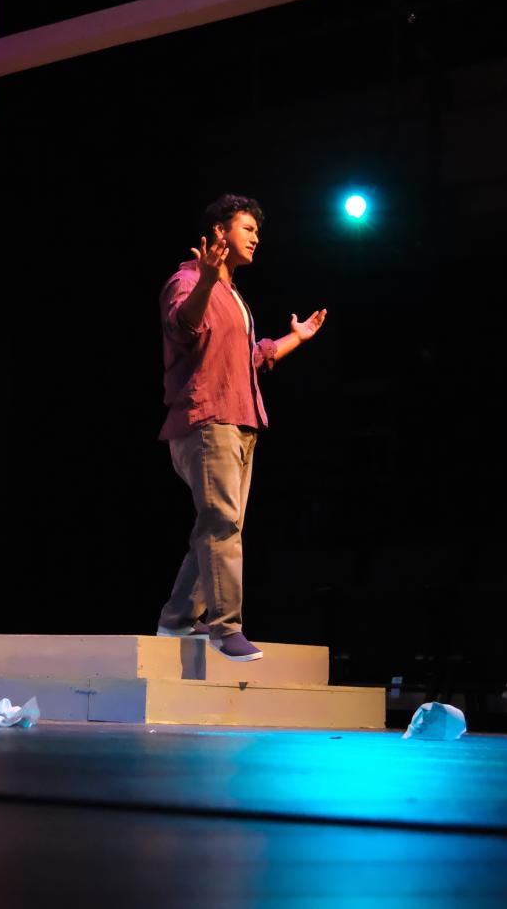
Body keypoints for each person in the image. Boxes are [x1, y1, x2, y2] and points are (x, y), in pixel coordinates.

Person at [155, 194, 326, 662]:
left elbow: (247, 361)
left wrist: (295, 338)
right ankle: (224, 627)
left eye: (256, 231)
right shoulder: (188, 282)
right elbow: (181, 328)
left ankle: (176, 618)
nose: (256, 237)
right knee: (222, 524)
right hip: (207, 421)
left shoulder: (234, 297)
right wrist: (207, 279)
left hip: (241, 420)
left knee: (218, 525)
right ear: (218, 233)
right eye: (246, 228)